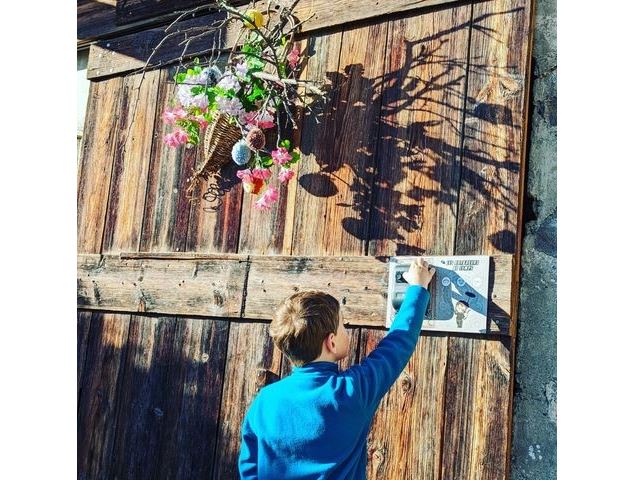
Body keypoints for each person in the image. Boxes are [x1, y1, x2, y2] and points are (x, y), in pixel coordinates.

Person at [238, 258, 436, 479]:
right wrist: (417, 288)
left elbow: (249, 468)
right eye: (343, 324)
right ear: (331, 342)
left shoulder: (264, 401)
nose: (346, 327)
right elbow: (396, 346)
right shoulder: (351, 391)